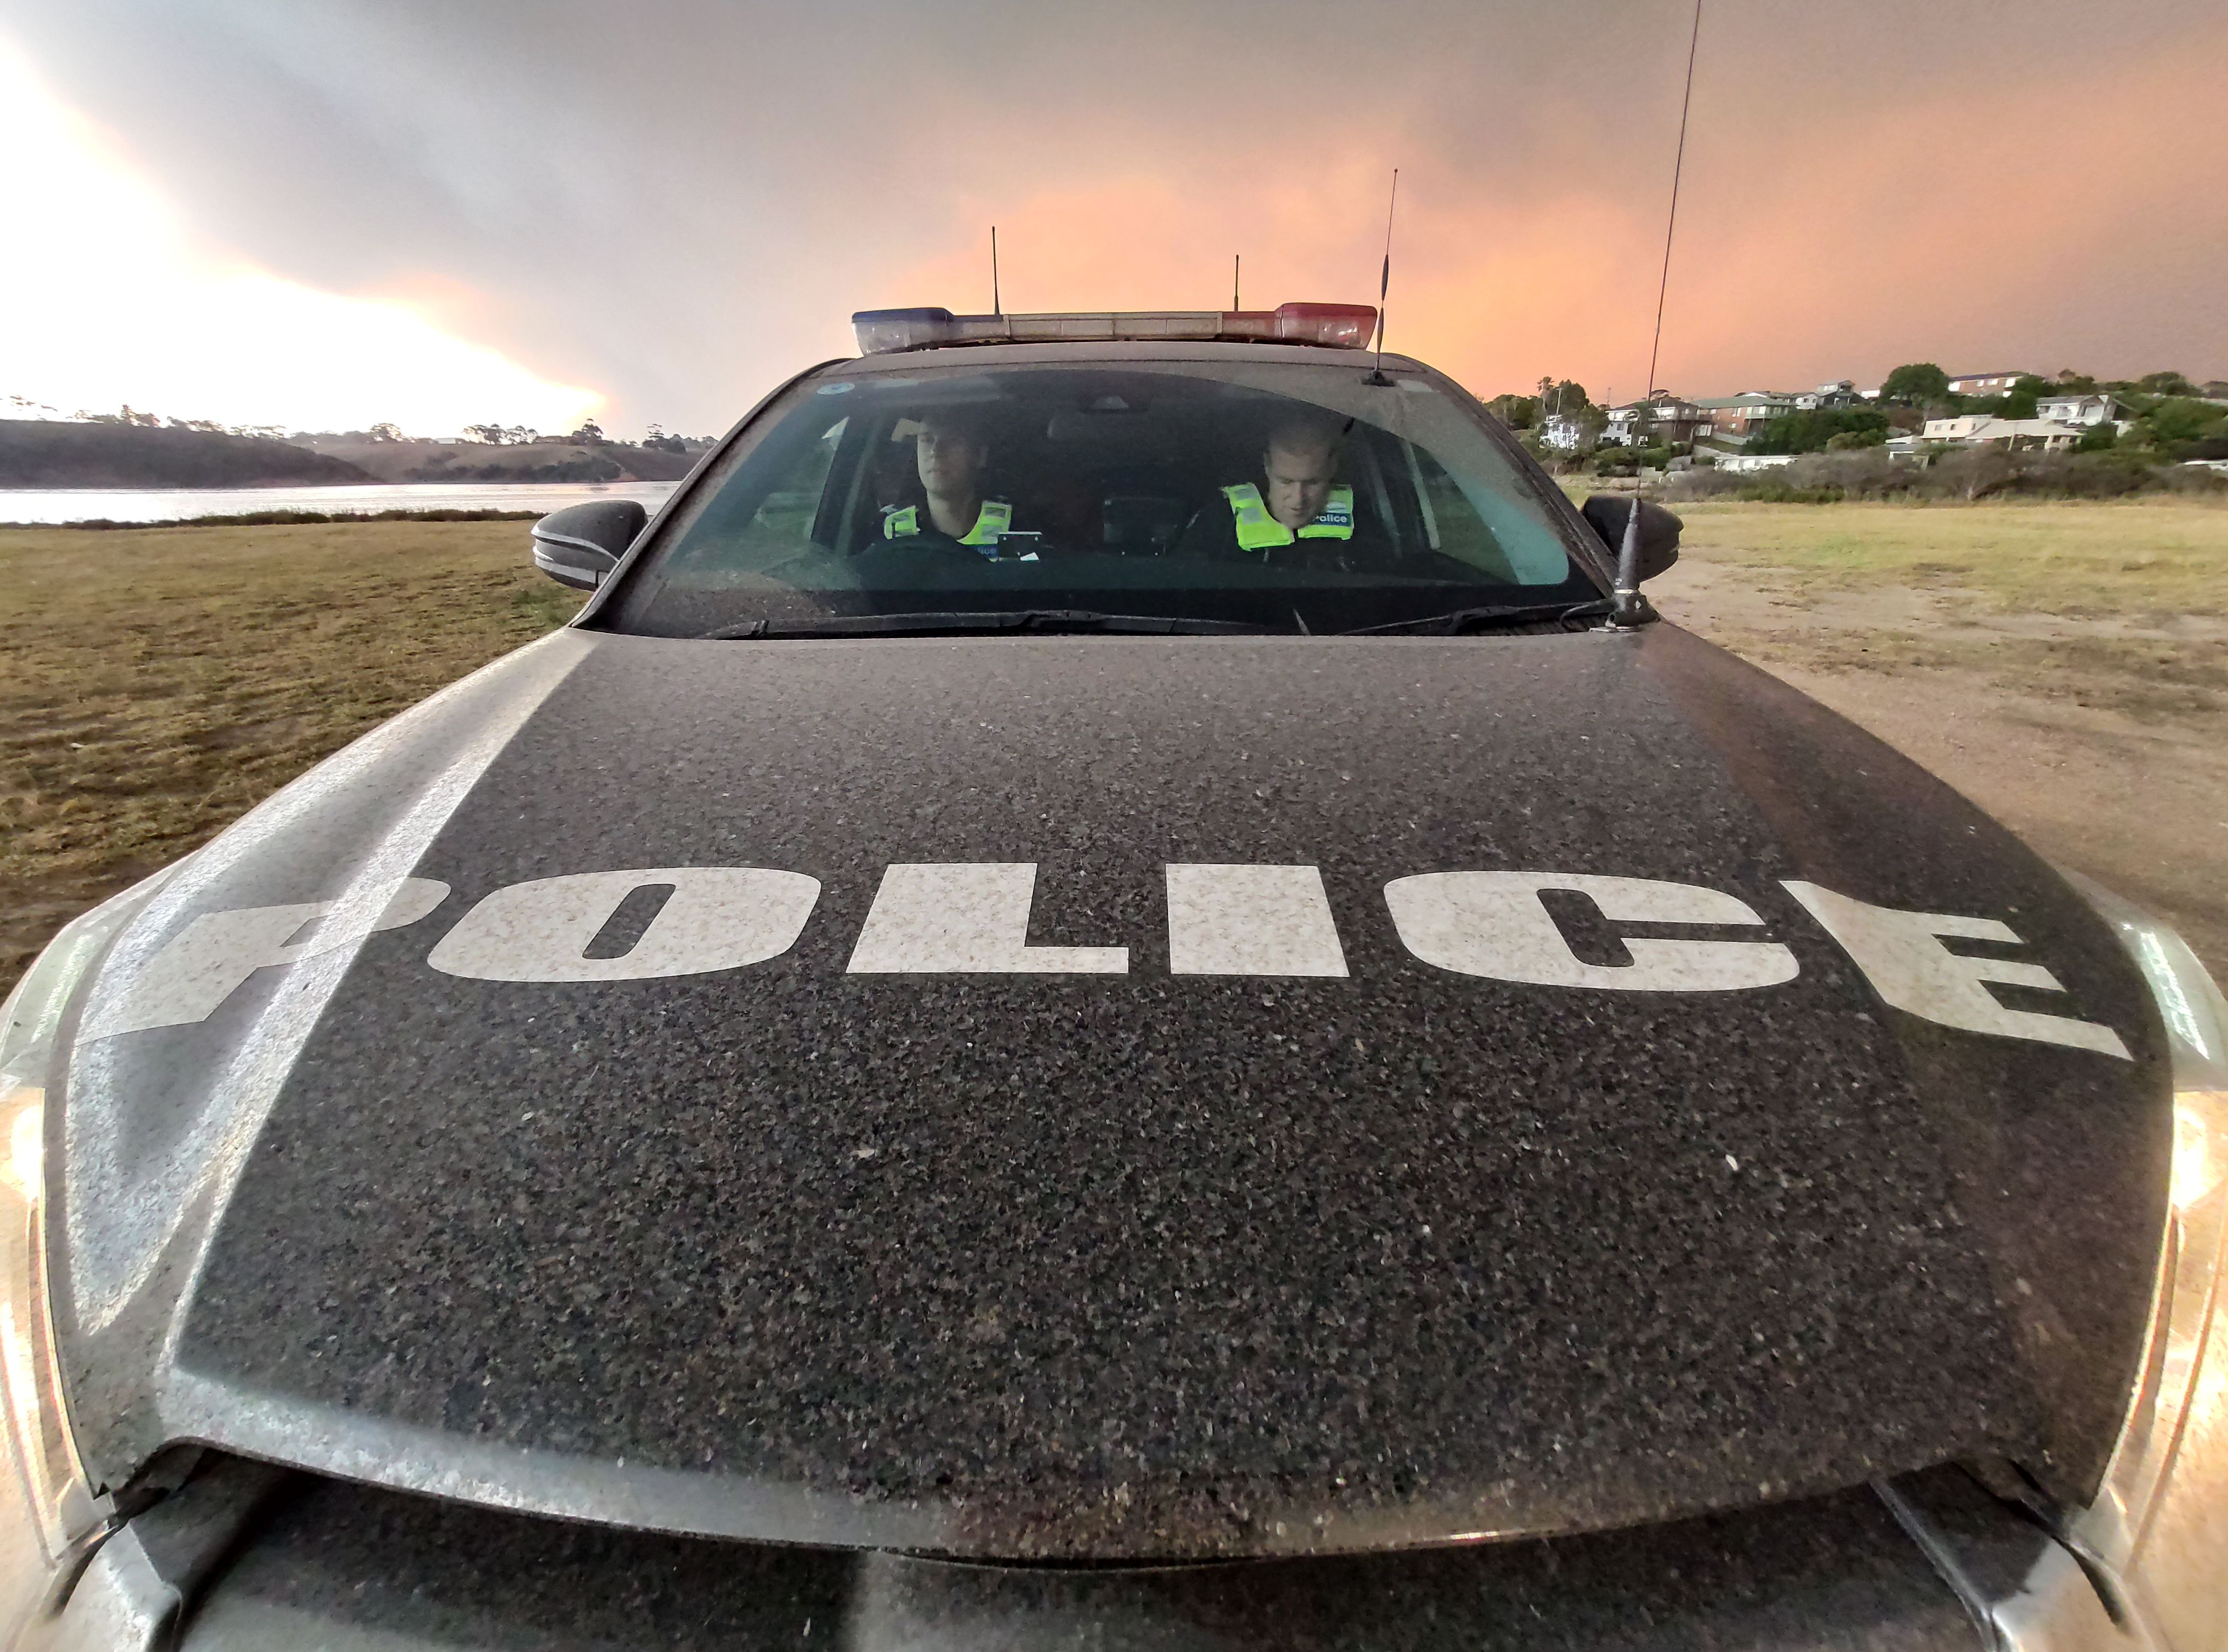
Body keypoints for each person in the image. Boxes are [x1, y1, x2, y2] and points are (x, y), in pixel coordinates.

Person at [1174, 411, 1371, 564]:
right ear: (1267, 466)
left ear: (1333, 468)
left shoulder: (1362, 521)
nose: (1298, 499)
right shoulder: (1220, 522)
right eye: (1286, 482)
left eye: (1312, 483)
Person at [879, 407, 1016, 555]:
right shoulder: (887, 533)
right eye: (927, 440)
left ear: (980, 455)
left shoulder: (1017, 529)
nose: (936, 451)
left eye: (952, 441)